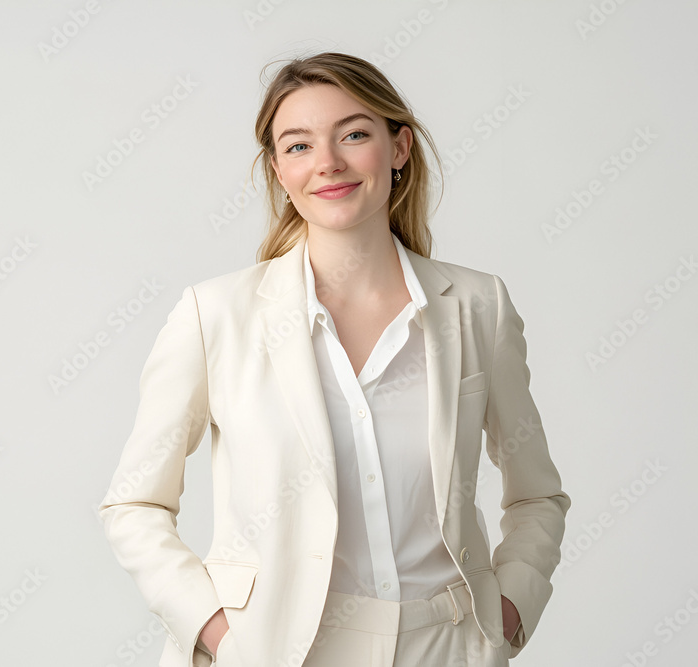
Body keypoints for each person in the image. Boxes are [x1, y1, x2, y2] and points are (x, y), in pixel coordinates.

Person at [98, 51, 570, 667]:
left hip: (448, 646)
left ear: (399, 148)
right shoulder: (214, 316)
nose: (328, 163)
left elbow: (537, 494)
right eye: (298, 146)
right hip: (278, 650)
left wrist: (508, 614)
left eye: (353, 134)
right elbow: (134, 503)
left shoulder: (478, 306)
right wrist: (216, 632)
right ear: (278, 170)